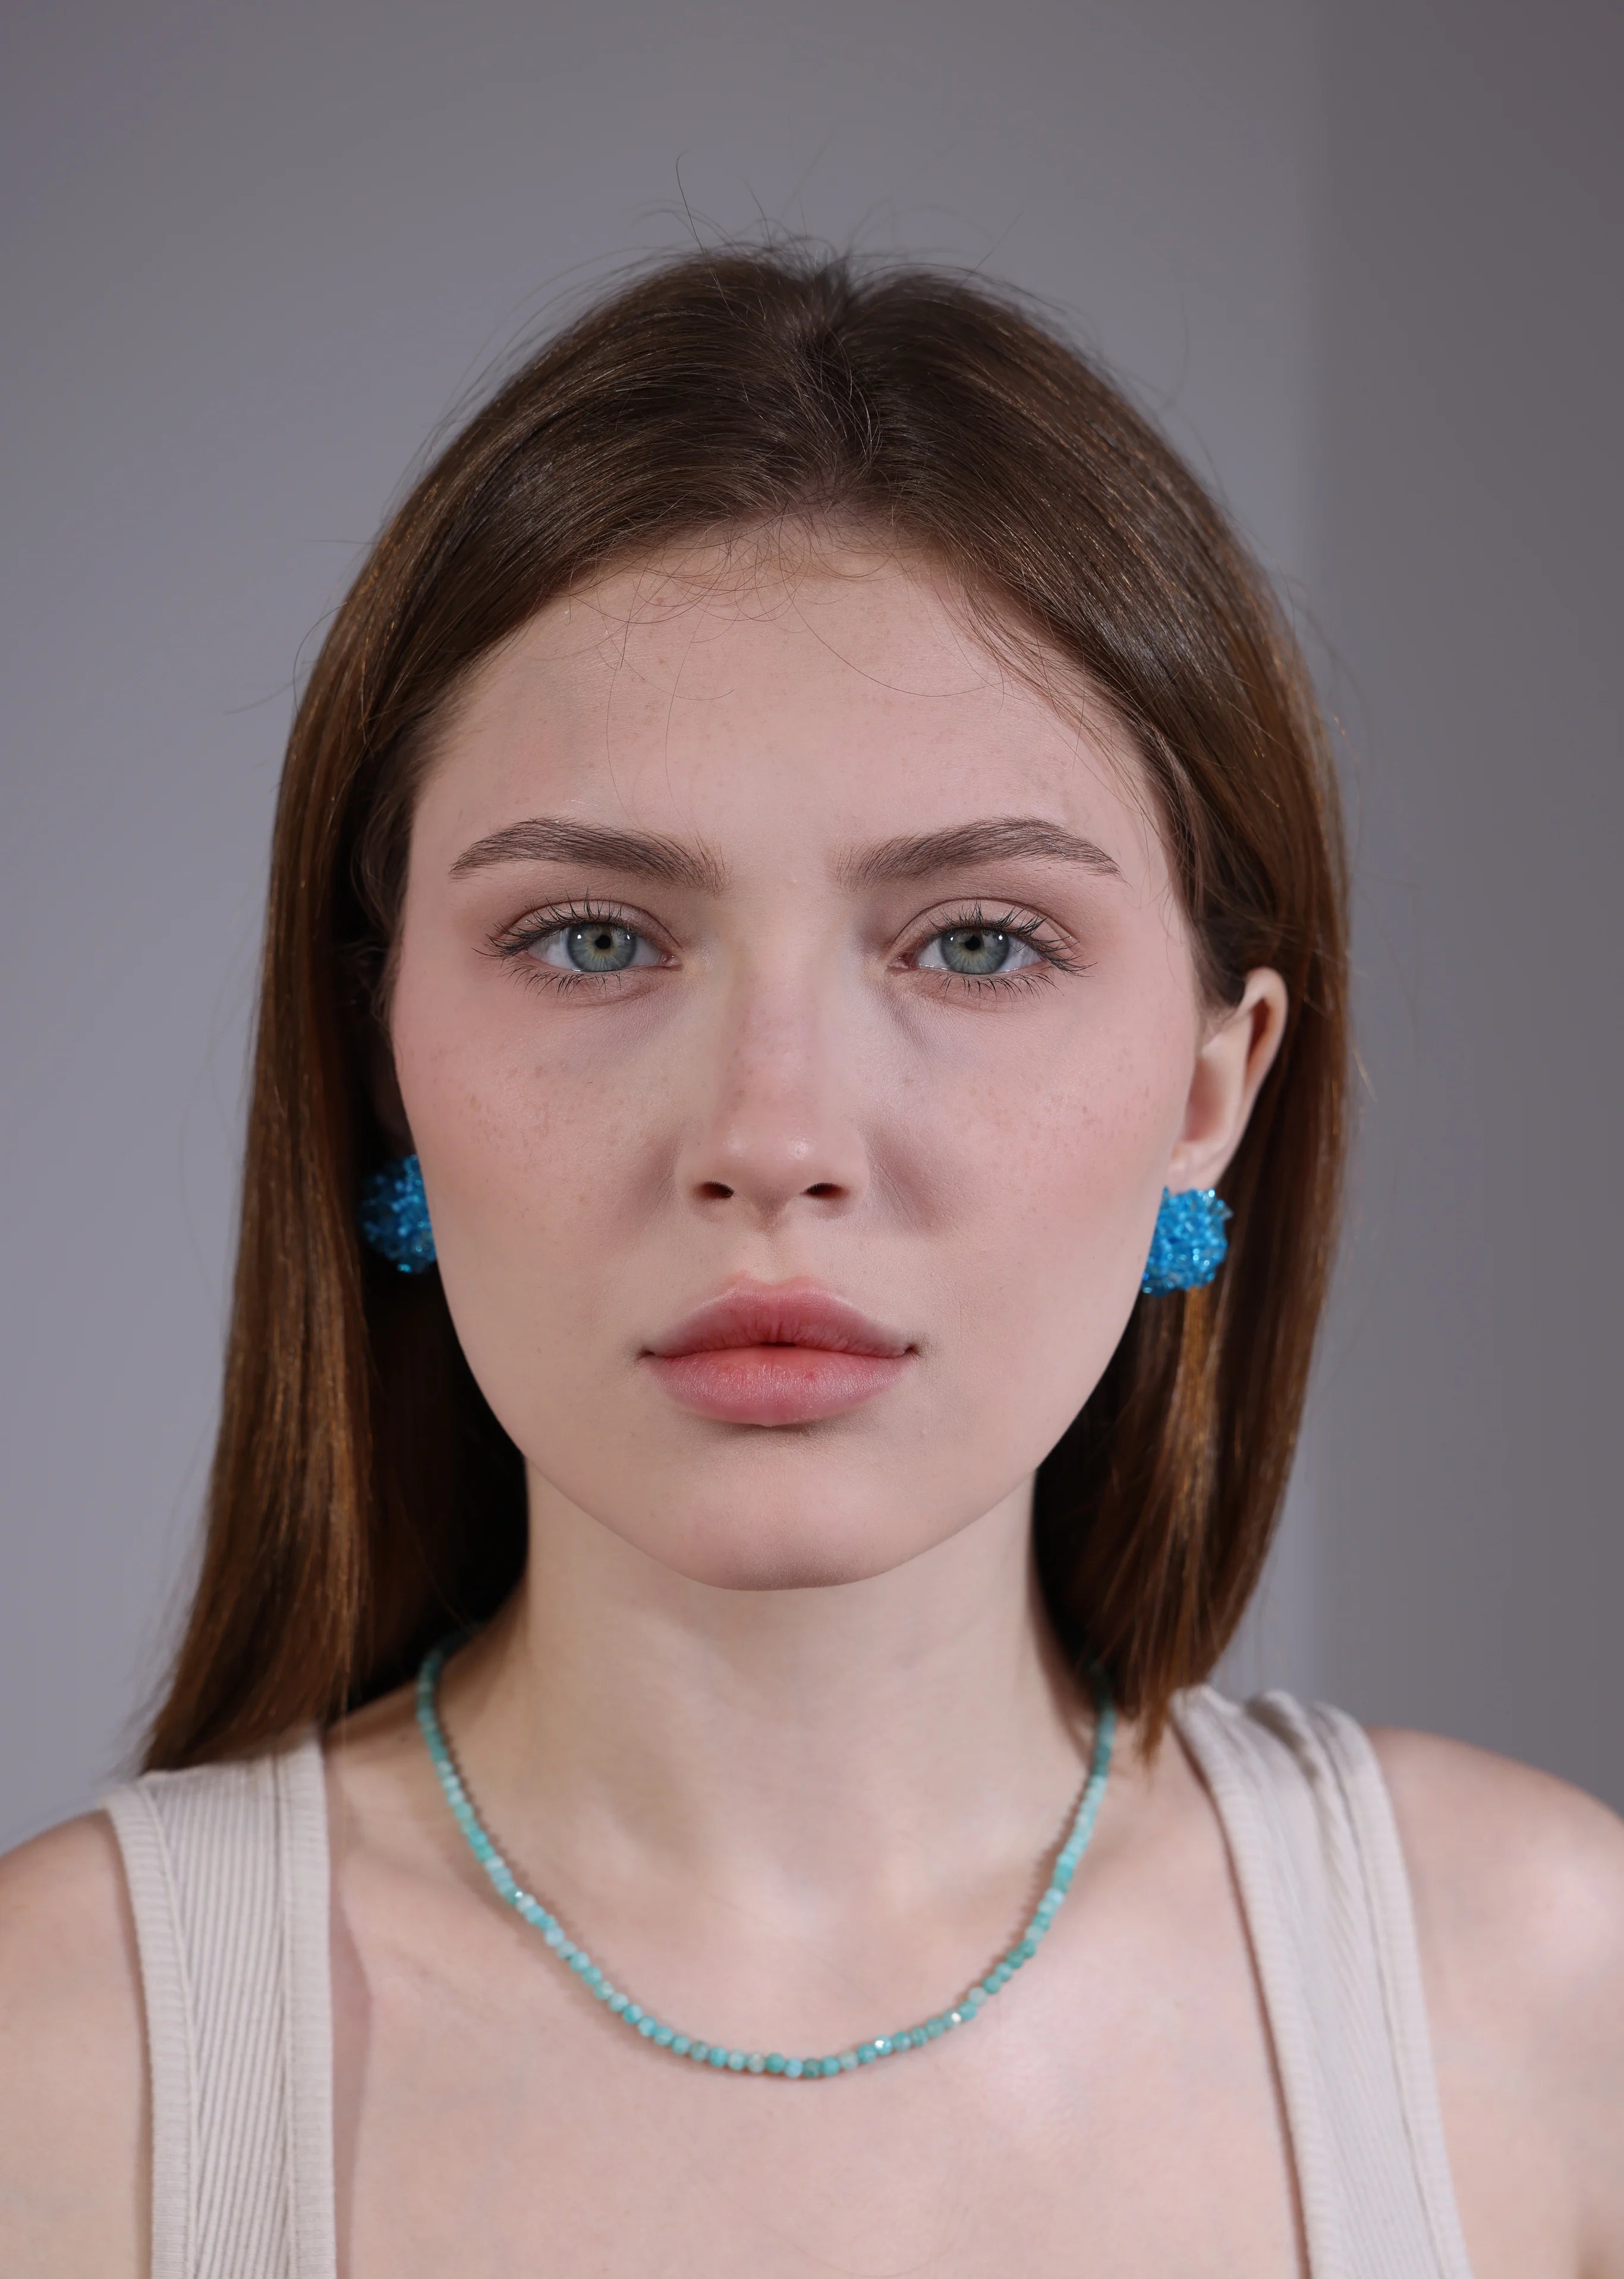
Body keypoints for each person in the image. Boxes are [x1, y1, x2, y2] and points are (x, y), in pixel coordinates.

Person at [1, 248, 1620, 2279]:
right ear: (381, 1060)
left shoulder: (1560, 2023)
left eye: (975, 943)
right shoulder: (52, 2079)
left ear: (1216, 1087)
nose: (772, 1137)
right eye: (594, 938)